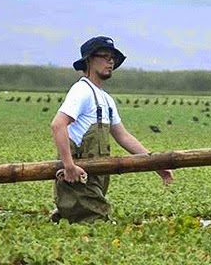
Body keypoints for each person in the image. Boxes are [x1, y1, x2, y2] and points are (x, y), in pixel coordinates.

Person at [50, 36, 174, 223]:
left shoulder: (105, 99)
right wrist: (69, 167)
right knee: (98, 227)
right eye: (105, 56)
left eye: (113, 58)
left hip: (94, 181)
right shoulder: (81, 91)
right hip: (77, 180)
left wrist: (156, 164)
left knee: (89, 225)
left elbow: (123, 136)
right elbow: (58, 124)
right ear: (90, 60)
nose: (111, 62)